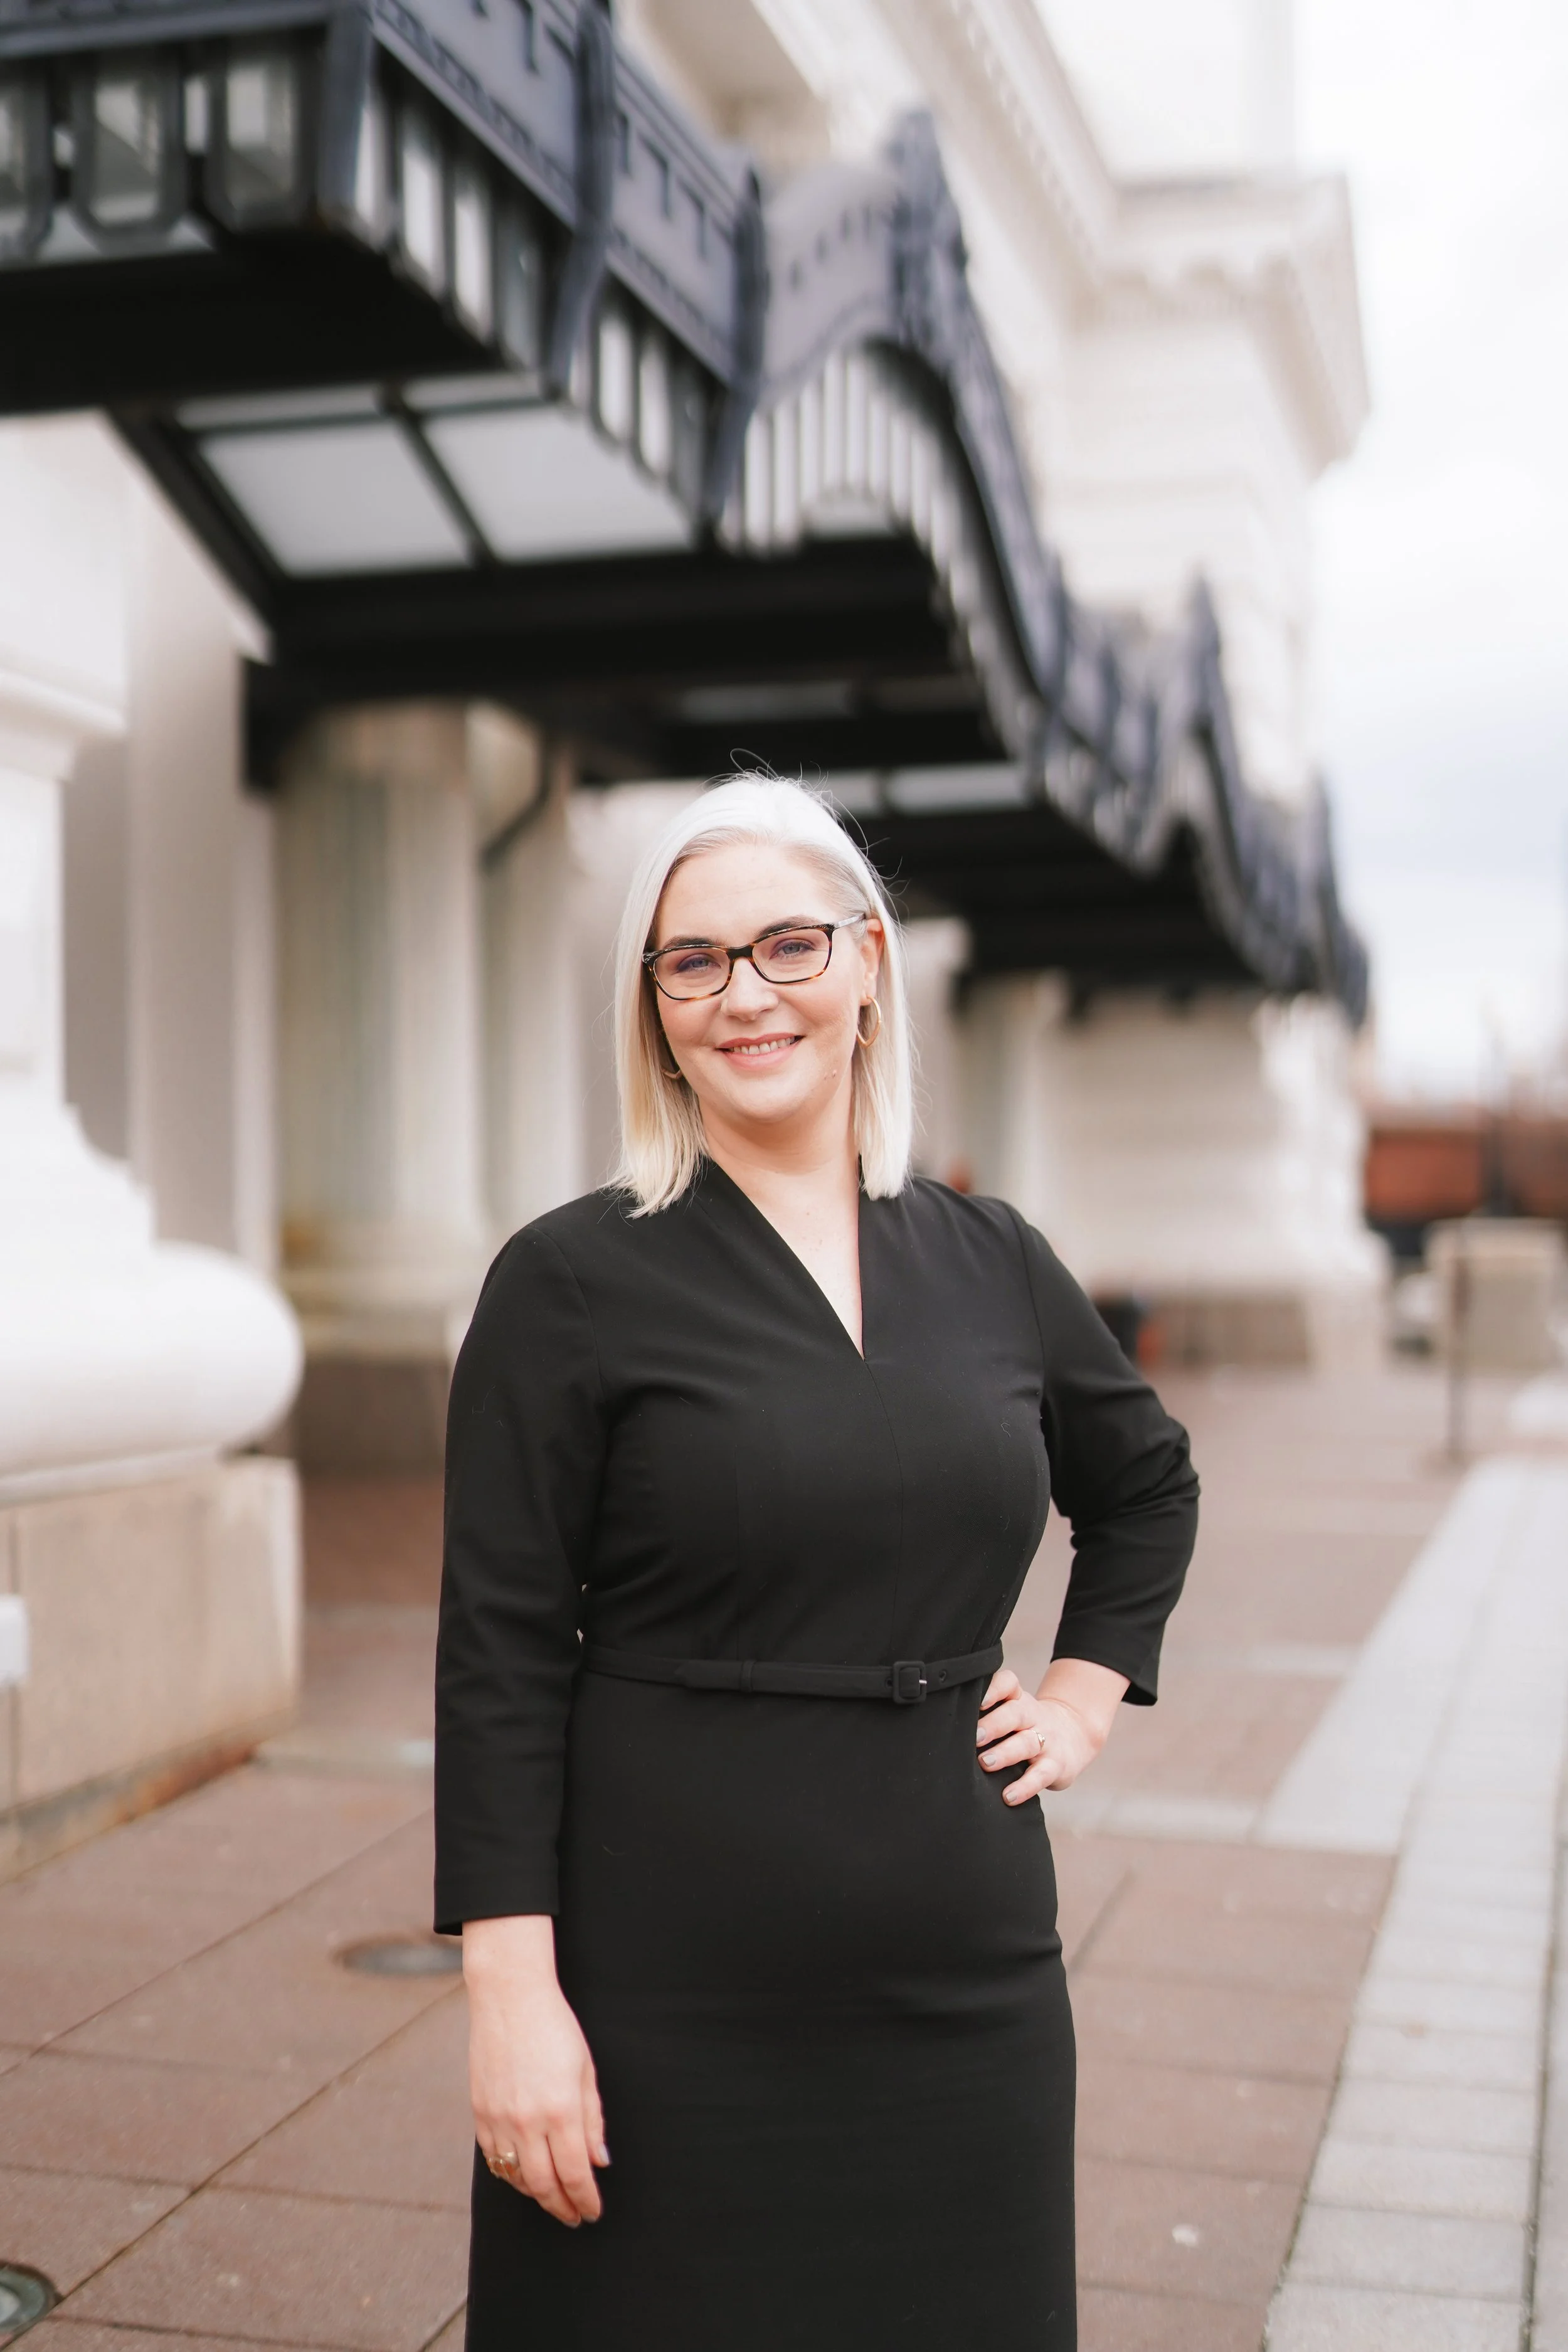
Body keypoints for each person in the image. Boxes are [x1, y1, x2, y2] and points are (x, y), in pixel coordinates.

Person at [435, 776, 1199, 2351]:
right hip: (663, 1970)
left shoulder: (990, 1261)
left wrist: (1080, 1693)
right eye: (692, 962)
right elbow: (499, 1650)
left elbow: (1147, 1487)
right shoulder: (570, 1279)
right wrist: (511, 2000)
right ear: (654, 1009)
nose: (744, 996)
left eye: (785, 946)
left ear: (865, 961)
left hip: (958, 1971)